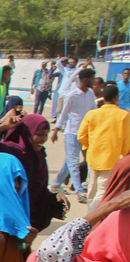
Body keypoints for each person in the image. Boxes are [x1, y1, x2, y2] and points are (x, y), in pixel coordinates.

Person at [77, 84, 130, 209]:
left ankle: (89, 213)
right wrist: (124, 155)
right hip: (111, 159)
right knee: (102, 191)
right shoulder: (124, 115)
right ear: (116, 97)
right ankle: (91, 217)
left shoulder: (92, 114)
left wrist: (88, 146)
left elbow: (81, 136)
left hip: (93, 157)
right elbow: (127, 140)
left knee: (92, 189)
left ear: (103, 97)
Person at [50, 68, 97, 203]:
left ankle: (56, 184)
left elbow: (94, 112)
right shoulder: (72, 95)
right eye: (92, 78)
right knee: (74, 162)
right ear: (86, 79)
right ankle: (79, 191)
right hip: (72, 132)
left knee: (70, 161)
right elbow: (63, 114)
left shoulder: (91, 94)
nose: (94, 81)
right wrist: (56, 131)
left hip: (85, 133)